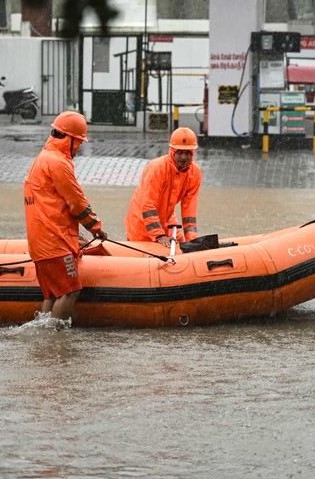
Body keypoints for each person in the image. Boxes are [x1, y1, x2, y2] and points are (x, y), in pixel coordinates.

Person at [23, 110, 107, 324]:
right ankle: (54, 338)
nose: (79, 147)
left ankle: (44, 332)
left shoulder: (43, 158)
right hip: (53, 242)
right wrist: (96, 228)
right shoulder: (58, 163)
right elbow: (76, 202)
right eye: (78, 142)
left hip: (41, 241)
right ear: (68, 138)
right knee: (71, 291)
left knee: (52, 294)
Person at [124, 126, 202, 248]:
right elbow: (148, 204)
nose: (183, 157)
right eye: (180, 152)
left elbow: (189, 208)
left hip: (166, 219)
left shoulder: (194, 172)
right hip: (140, 223)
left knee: (181, 246)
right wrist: (159, 235)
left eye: (187, 153)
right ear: (172, 151)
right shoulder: (157, 168)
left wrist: (192, 241)